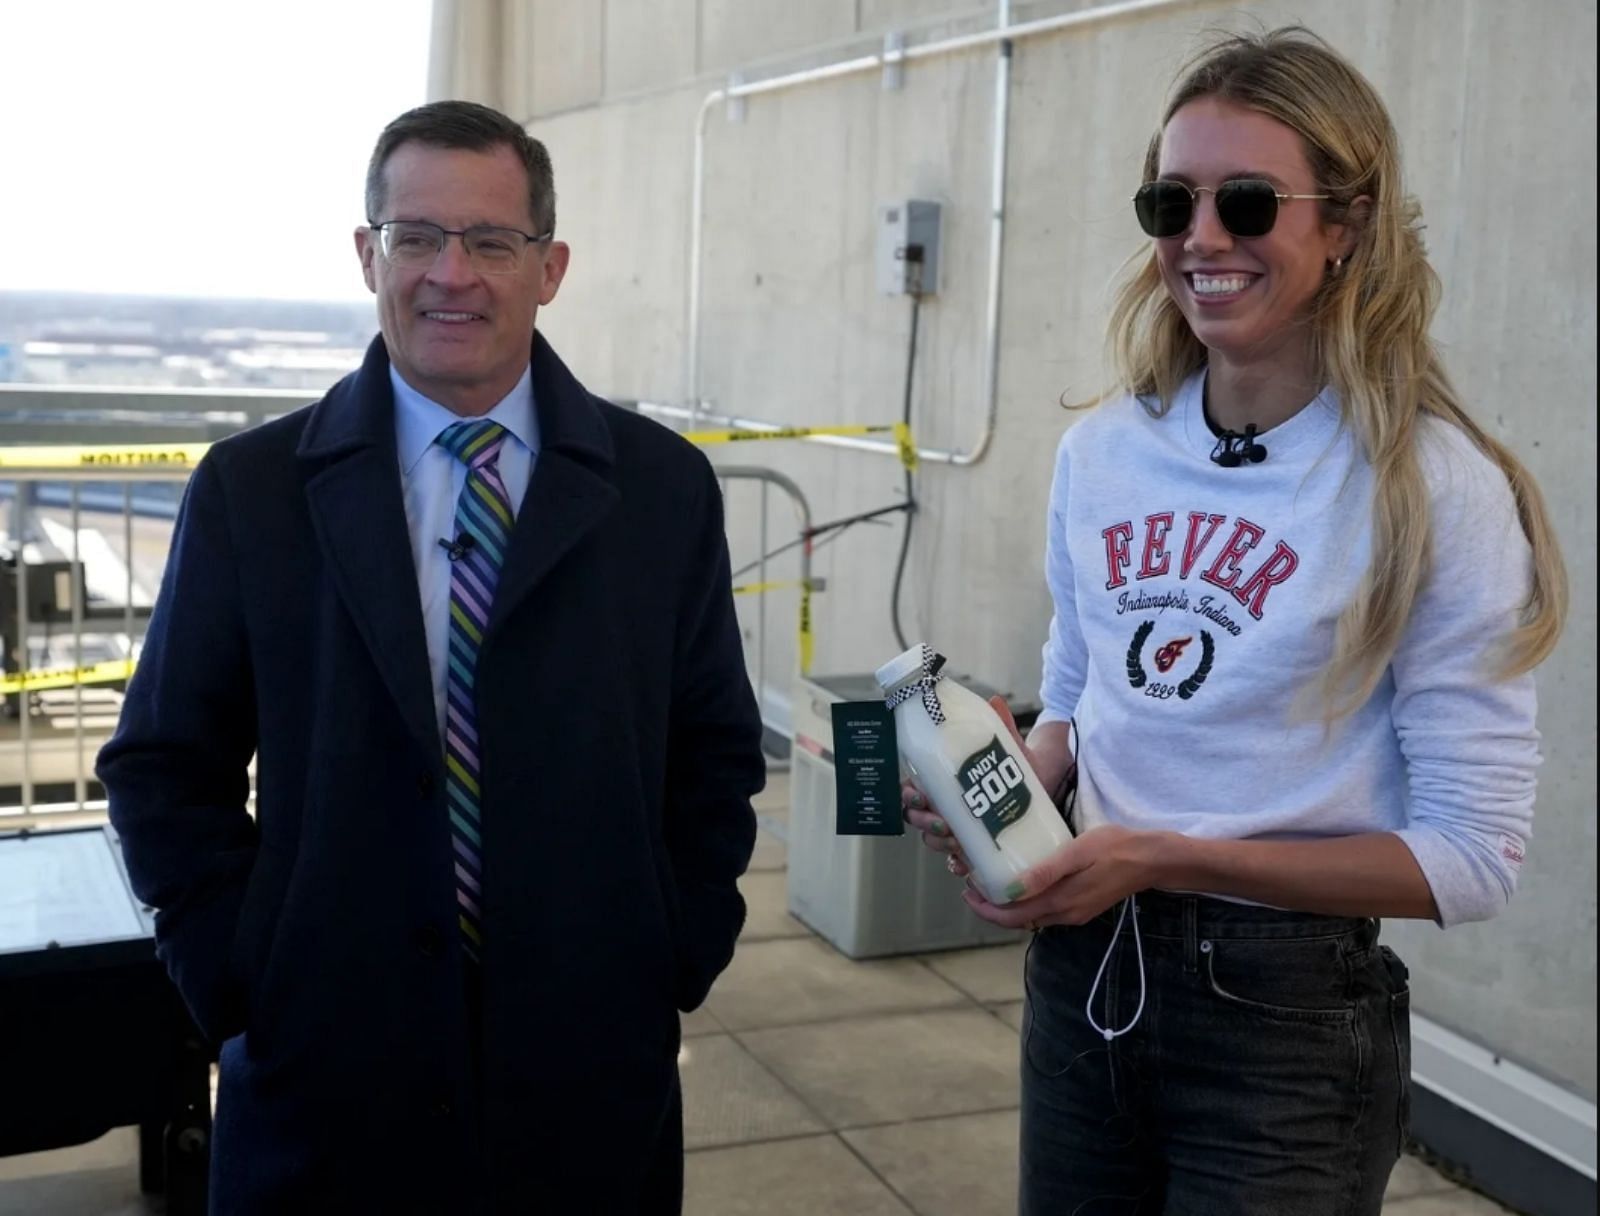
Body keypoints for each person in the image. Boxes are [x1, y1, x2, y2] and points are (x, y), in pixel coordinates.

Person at [903, 26, 1567, 1215]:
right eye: (1171, 201)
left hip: (1286, 1023)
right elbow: (1080, 694)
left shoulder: (1431, 486)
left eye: (1247, 201)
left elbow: (1471, 861)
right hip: (1084, 980)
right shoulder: (1102, 449)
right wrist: (1004, 779)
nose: (1200, 238)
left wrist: (1163, 852)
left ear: (1347, 222)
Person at [97, 99, 765, 1214]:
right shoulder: (251, 494)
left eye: (490, 242)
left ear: (548, 268)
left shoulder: (660, 490)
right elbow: (164, 768)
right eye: (416, 237)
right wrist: (240, 972)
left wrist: (672, 945)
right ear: (368, 254)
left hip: (587, 1076)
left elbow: (713, 754)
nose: (450, 275)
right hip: (325, 1082)